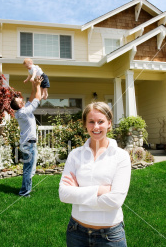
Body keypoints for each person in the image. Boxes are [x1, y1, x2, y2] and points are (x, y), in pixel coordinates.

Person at [59, 102, 131, 246]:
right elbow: (64, 194)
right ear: (85, 125)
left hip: (110, 236)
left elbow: (115, 201)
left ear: (109, 123)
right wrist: (99, 190)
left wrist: (78, 193)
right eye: (91, 122)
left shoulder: (121, 156)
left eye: (101, 121)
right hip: (76, 233)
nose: (96, 127)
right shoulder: (75, 154)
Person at [10, 76, 43, 197]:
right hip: (28, 144)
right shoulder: (24, 112)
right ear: (19, 105)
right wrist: (39, 85)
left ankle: (26, 188)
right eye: (20, 100)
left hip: (28, 143)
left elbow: (32, 96)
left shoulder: (23, 110)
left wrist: (34, 85)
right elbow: (37, 99)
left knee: (29, 168)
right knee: (29, 169)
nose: (22, 99)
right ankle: (24, 192)